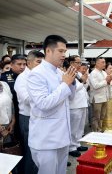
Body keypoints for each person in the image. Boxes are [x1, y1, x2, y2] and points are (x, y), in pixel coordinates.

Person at [27, 35, 77, 174]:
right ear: (48, 51)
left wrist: (72, 83)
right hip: (46, 139)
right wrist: (65, 84)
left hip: (62, 135)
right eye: (60, 51)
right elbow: (44, 103)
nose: (64, 55)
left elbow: (69, 99)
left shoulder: (60, 72)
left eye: (65, 51)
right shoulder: (36, 74)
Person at [14, 50, 44, 174]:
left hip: (39, 117)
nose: (41, 65)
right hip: (27, 117)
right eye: (38, 62)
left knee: (39, 150)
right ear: (29, 63)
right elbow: (26, 99)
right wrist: (42, 97)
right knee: (31, 150)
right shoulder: (22, 78)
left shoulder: (39, 76)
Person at [0, 54, 26, 139]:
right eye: (19, 64)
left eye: (24, 64)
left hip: (23, 111)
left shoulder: (28, 76)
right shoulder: (4, 77)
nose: (22, 67)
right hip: (9, 113)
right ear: (11, 64)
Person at [67, 55, 89, 157]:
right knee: (74, 128)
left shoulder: (78, 73)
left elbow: (83, 86)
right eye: (78, 63)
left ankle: (77, 143)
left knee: (81, 126)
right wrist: (83, 81)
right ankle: (71, 147)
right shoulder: (68, 73)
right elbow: (72, 89)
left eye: (80, 63)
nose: (80, 65)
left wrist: (83, 81)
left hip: (82, 102)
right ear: (71, 63)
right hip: (74, 104)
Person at [89, 58, 112, 132]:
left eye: (105, 62)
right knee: (96, 117)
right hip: (97, 98)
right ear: (97, 63)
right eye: (102, 62)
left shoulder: (104, 72)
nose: (104, 64)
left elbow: (106, 85)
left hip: (104, 97)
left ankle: (100, 130)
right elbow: (95, 86)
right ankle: (95, 132)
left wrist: (109, 82)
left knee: (102, 116)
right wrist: (106, 81)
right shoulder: (93, 73)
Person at [0, 81, 15, 146]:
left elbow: (11, 102)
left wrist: (13, 121)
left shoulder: (4, 84)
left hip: (8, 126)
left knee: (8, 152)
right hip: (1, 128)